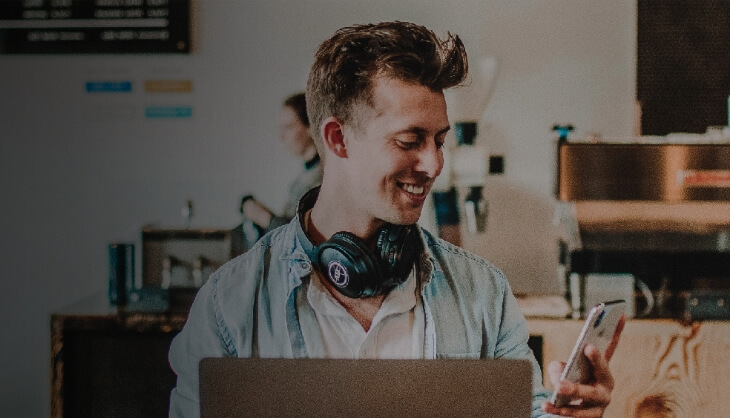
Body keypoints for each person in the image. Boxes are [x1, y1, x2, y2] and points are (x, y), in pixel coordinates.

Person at [169, 21, 624, 417]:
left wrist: (568, 417)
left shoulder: (482, 293)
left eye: (440, 141)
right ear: (337, 139)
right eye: (410, 141)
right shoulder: (230, 306)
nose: (433, 164)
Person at [230, 92, 323, 258]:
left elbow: (302, 236)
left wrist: (262, 216)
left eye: (288, 127)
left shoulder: (322, 177)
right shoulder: (307, 174)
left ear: (310, 127)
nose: (282, 137)